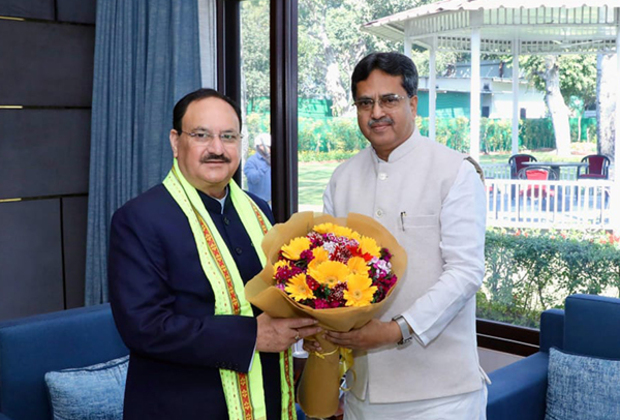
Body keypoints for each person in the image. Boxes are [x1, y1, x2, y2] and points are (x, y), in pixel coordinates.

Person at [108, 88, 320, 420]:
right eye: (202, 135)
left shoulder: (259, 212)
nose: (217, 149)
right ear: (176, 142)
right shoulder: (139, 219)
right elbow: (144, 327)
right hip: (182, 406)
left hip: (268, 400)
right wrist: (252, 336)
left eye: (228, 136)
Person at [315, 52, 488, 419]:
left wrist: (397, 330)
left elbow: (465, 272)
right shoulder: (341, 178)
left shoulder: (454, 172)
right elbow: (327, 271)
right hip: (363, 394)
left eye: (389, 100)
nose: (376, 112)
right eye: (365, 102)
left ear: (413, 103)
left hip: (442, 398)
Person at [244, 133, 272, 203]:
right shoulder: (251, 161)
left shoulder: (275, 159)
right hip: (258, 204)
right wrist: (266, 164)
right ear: (259, 146)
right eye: (267, 146)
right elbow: (253, 179)